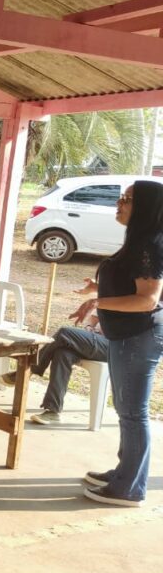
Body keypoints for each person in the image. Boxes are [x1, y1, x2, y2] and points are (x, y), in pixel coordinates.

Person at [71, 180, 163, 507]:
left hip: (138, 336)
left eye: (127, 199)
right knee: (126, 411)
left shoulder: (147, 246)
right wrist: (97, 289)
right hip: (127, 336)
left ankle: (130, 488)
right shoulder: (138, 242)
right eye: (121, 197)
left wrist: (99, 302)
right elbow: (128, 283)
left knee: (133, 413)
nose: (119, 203)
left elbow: (147, 300)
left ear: (147, 209)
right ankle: (125, 472)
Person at [0, 324, 109, 425]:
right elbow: (95, 322)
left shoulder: (121, 301)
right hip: (95, 338)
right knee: (62, 354)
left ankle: (29, 369)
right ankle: (53, 411)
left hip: (114, 345)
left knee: (64, 332)